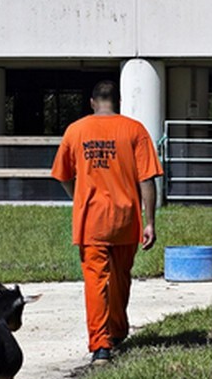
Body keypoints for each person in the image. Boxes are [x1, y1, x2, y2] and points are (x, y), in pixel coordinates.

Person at [51, 80, 164, 363]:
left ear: (91, 102)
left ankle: (101, 345)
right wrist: (149, 221)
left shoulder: (75, 130)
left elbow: (63, 175)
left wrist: (78, 194)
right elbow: (147, 179)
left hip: (91, 220)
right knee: (120, 279)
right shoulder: (134, 129)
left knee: (96, 282)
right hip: (126, 220)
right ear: (120, 101)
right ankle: (116, 331)